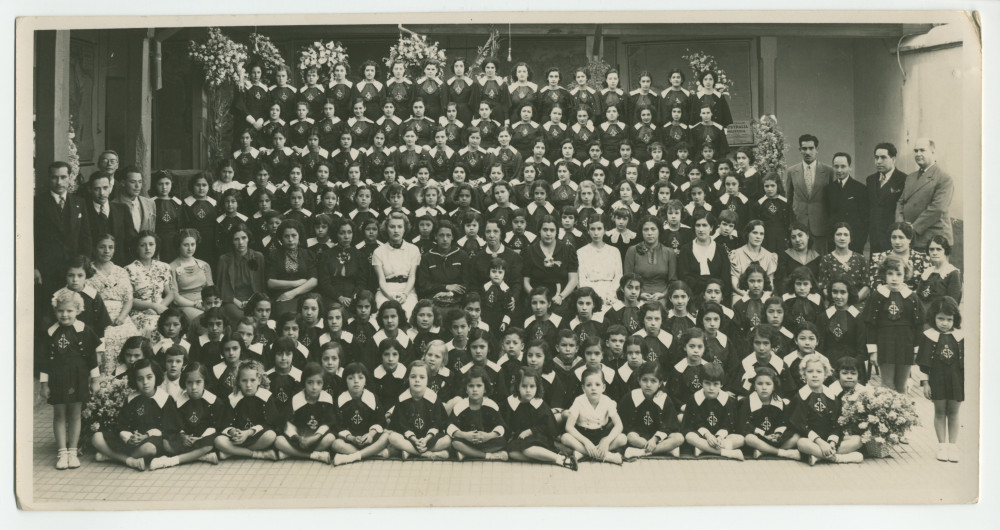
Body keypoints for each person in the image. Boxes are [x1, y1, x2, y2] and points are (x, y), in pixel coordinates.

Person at [40, 290, 101, 470]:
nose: (64, 314)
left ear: (78, 310)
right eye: (60, 311)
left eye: (69, 311)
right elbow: (44, 361)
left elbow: (92, 358)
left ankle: (73, 452)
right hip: (57, 379)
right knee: (59, 415)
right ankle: (62, 453)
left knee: (75, 414)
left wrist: (95, 380)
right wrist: (44, 385)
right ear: (55, 311)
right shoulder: (51, 332)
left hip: (78, 378)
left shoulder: (84, 331)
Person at [91, 359, 168, 471]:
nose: (145, 382)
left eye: (149, 377)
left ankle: (114, 457)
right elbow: (122, 424)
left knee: (149, 448)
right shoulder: (132, 398)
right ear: (135, 380)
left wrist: (145, 436)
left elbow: (168, 428)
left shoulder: (164, 399)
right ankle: (130, 460)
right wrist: (129, 438)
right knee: (96, 437)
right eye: (140, 379)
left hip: (151, 440)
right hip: (131, 440)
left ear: (156, 377)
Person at [864, 255, 924, 394]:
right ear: (884, 274)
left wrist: (916, 350)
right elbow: (870, 325)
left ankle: (902, 409)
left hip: (906, 345)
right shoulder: (877, 296)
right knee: (887, 385)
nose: (894, 278)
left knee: (901, 385)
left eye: (899, 274)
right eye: (890, 274)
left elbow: (918, 325)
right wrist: (873, 351)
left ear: (905, 275)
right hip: (885, 345)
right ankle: (887, 408)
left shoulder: (912, 298)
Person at [791, 354, 864, 465]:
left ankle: (818, 456)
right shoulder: (801, 396)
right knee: (801, 443)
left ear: (825, 374)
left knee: (858, 440)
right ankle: (837, 458)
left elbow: (838, 423)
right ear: (804, 375)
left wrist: (832, 442)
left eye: (819, 372)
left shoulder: (831, 396)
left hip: (830, 439)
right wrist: (820, 442)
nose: (814, 375)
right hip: (812, 440)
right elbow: (800, 425)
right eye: (810, 371)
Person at [916, 297, 964, 463]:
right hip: (937, 379)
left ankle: (953, 446)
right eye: (941, 318)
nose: (945, 323)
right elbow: (923, 363)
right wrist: (925, 383)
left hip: (956, 379)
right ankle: (942, 446)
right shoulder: (928, 336)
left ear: (955, 319)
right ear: (933, 317)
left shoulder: (960, 336)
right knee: (940, 411)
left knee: (954, 412)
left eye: (949, 319)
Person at [154, 362, 224, 469]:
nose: (194, 387)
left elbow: (216, 426)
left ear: (205, 382)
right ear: (184, 383)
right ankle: (201, 457)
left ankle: (172, 461)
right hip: (186, 440)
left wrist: (201, 438)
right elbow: (175, 425)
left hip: (204, 439)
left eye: (198, 382)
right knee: (166, 443)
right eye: (189, 383)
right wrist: (182, 436)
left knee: (210, 444)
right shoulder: (179, 402)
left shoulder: (214, 402)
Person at [89, 234, 140, 373]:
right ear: (94, 248)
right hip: (97, 315)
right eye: (102, 247)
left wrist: (122, 317)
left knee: (132, 336)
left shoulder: (121, 271)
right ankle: (107, 376)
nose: (107, 251)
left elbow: (128, 299)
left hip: (120, 314)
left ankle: (128, 374)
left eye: (110, 247)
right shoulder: (88, 270)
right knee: (107, 337)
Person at [214, 360, 280, 461]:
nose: (248, 385)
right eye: (244, 380)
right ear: (238, 382)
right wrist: (232, 432)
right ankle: (256, 454)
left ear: (259, 380)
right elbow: (224, 424)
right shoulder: (233, 398)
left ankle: (233, 452)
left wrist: (248, 432)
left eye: (252, 380)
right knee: (218, 441)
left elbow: (271, 423)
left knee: (271, 436)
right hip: (237, 439)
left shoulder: (266, 396)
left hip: (257, 437)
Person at [617, 361, 684, 460]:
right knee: (631, 436)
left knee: (679, 438)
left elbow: (669, 425)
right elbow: (625, 424)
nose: (648, 385)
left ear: (660, 383)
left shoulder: (664, 398)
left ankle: (641, 452)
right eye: (644, 380)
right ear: (639, 380)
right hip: (639, 437)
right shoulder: (631, 396)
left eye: (653, 381)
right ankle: (664, 449)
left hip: (659, 438)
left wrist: (654, 439)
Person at [896, 138, 954, 249]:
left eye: (922, 150)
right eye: (916, 151)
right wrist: (900, 226)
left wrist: (912, 229)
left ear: (932, 152)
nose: (918, 154)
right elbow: (900, 202)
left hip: (933, 239)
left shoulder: (943, 178)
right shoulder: (910, 177)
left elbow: (937, 209)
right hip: (909, 237)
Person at [561, 368, 628, 465]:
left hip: (601, 435)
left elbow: (619, 425)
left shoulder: (607, 401)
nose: (593, 388)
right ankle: (606, 456)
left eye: (597, 384)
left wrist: (606, 440)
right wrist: (586, 442)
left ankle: (583, 453)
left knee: (623, 438)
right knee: (565, 438)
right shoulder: (579, 401)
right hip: (583, 436)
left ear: (603, 387)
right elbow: (569, 426)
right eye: (589, 385)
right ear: (583, 388)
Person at [387, 360, 452, 459]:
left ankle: (410, 452)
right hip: (410, 439)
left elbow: (437, 423)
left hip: (429, 438)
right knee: (392, 437)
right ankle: (425, 453)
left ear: (428, 380)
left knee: (448, 440)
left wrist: (426, 439)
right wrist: (415, 440)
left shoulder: (433, 398)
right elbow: (401, 425)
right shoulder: (402, 399)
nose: (417, 380)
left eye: (422, 377)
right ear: (408, 378)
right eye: (413, 377)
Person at [681, 362, 744, 460]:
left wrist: (719, 436)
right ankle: (726, 452)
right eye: (707, 383)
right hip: (702, 436)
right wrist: (708, 435)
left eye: (715, 384)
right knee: (690, 436)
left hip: (721, 438)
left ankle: (703, 448)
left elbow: (728, 424)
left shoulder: (728, 401)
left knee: (741, 439)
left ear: (721, 384)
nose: (711, 388)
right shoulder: (694, 399)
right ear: (701, 382)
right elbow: (693, 424)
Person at [738, 367, 800, 460]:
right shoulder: (747, 402)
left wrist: (778, 434)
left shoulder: (779, 402)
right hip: (758, 437)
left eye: (768, 384)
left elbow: (783, 422)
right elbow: (744, 425)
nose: (764, 388)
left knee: (796, 437)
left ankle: (764, 451)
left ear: (774, 386)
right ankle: (781, 452)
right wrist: (763, 435)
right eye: (759, 384)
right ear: (754, 386)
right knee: (748, 439)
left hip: (774, 438)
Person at [786, 134, 833, 254]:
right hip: (799, 224)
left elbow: (832, 200)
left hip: (820, 225)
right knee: (800, 259)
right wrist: (792, 223)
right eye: (804, 148)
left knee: (819, 258)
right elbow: (788, 199)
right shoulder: (792, 171)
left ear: (817, 149)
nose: (807, 152)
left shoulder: (828, 171)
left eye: (811, 148)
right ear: (800, 150)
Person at [127, 231, 177, 338]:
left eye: (151, 244)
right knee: (153, 328)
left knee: (176, 326)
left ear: (156, 246)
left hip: (162, 308)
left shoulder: (164, 267)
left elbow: (170, 294)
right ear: (136, 248)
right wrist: (153, 306)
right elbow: (129, 300)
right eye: (143, 245)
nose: (147, 248)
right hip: (140, 312)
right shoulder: (129, 270)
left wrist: (159, 308)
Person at [372, 212, 422, 315]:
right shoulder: (378, 251)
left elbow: (412, 276)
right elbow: (381, 279)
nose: (396, 230)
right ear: (386, 229)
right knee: (384, 315)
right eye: (392, 227)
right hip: (386, 291)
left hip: (407, 291)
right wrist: (390, 297)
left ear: (405, 229)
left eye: (400, 226)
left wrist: (405, 294)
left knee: (409, 314)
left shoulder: (413, 249)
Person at [216, 223, 267, 323]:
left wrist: (251, 302)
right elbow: (223, 288)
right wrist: (237, 302)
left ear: (249, 239)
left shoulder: (258, 257)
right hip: (232, 301)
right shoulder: (224, 260)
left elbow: (261, 285)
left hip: (254, 300)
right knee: (242, 318)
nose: (241, 242)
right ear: (232, 241)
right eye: (236, 239)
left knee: (259, 316)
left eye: (244, 238)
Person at [267, 219, 318, 316]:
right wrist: (296, 283)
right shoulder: (274, 255)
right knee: (286, 315)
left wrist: (293, 293)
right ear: (281, 238)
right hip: (282, 295)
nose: (290, 239)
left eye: (294, 235)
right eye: (286, 236)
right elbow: (270, 283)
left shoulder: (308, 254)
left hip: (304, 294)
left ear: (299, 236)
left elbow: (314, 280)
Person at [85, 173, 137, 267]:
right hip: (93, 266)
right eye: (97, 189)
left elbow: (131, 239)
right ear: (90, 189)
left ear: (110, 188)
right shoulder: (84, 211)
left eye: (105, 188)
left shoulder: (122, 209)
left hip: (120, 265)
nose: (102, 193)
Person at [623, 216, 678, 303]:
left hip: (662, 297)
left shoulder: (669, 252)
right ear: (641, 232)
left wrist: (663, 294)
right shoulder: (632, 251)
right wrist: (639, 294)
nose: (649, 233)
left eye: (653, 229)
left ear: (659, 230)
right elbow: (627, 279)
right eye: (646, 230)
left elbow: (673, 281)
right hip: (637, 296)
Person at [865, 142, 908, 253]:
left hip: (894, 237)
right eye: (876, 157)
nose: (878, 161)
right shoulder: (870, 180)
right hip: (874, 237)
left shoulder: (904, 179)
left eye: (883, 157)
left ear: (893, 159)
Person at [677, 212, 731, 299]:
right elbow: (684, 276)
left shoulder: (720, 249)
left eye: (704, 225)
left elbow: (725, 277)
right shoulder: (686, 249)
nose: (701, 229)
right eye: (698, 225)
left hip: (716, 295)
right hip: (693, 295)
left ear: (711, 227)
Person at [824, 152, 869, 253]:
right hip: (834, 242)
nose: (839, 170)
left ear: (850, 168)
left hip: (854, 242)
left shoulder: (860, 188)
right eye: (836, 166)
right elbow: (826, 215)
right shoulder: (828, 189)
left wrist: (860, 241)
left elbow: (865, 218)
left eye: (843, 166)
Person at [817, 223, 871, 302]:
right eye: (838, 234)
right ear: (833, 237)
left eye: (846, 235)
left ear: (850, 238)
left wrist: (854, 301)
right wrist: (837, 301)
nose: (842, 238)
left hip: (856, 303)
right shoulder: (826, 259)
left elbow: (866, 285)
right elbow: (823, 286)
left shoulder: (860, 259)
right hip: (835, 302)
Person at [868, 222, 929, 291]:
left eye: (901, 237)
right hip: (885, 296)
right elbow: (875, 285)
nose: (897, 242)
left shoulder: (922, 259)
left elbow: (926, 286)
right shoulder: (879, 258)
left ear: (910, 239)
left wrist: (909, 295)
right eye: (894, 237)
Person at [576, 215, 623, 306]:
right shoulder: (581, 252)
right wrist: (593, 297)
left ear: (605, 230)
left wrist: (610, 294)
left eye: (599, 229)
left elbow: (618, 276)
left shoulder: (614, 251)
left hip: (611, 295)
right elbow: (581, 279)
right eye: (592, 229)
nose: (596, 233)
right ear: (588, 231)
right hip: (589, 296)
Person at [170, 229, 214, 322]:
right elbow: (175, 298)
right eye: (186, 245)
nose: (190, 248)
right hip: (185, 306)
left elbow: (211, 291)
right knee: (203, 320)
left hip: (205, 304)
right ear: (179, 245)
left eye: (193, 244)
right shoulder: (172, 268)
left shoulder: (204, 265)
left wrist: (207, 304)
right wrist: (195, 304)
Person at [917, 235, 963, 306]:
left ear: (945, 251)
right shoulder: (927, 272)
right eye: (931, 249)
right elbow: (918, 297)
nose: (934, 253)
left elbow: (952, 304)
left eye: (939, 249)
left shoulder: (952, 273)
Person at [114, 166, 158, 234]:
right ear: (123, 183)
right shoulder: (114, 205)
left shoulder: (150, 203)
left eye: (140, 182)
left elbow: (152, 230)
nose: (137, 186)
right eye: (133, 182)